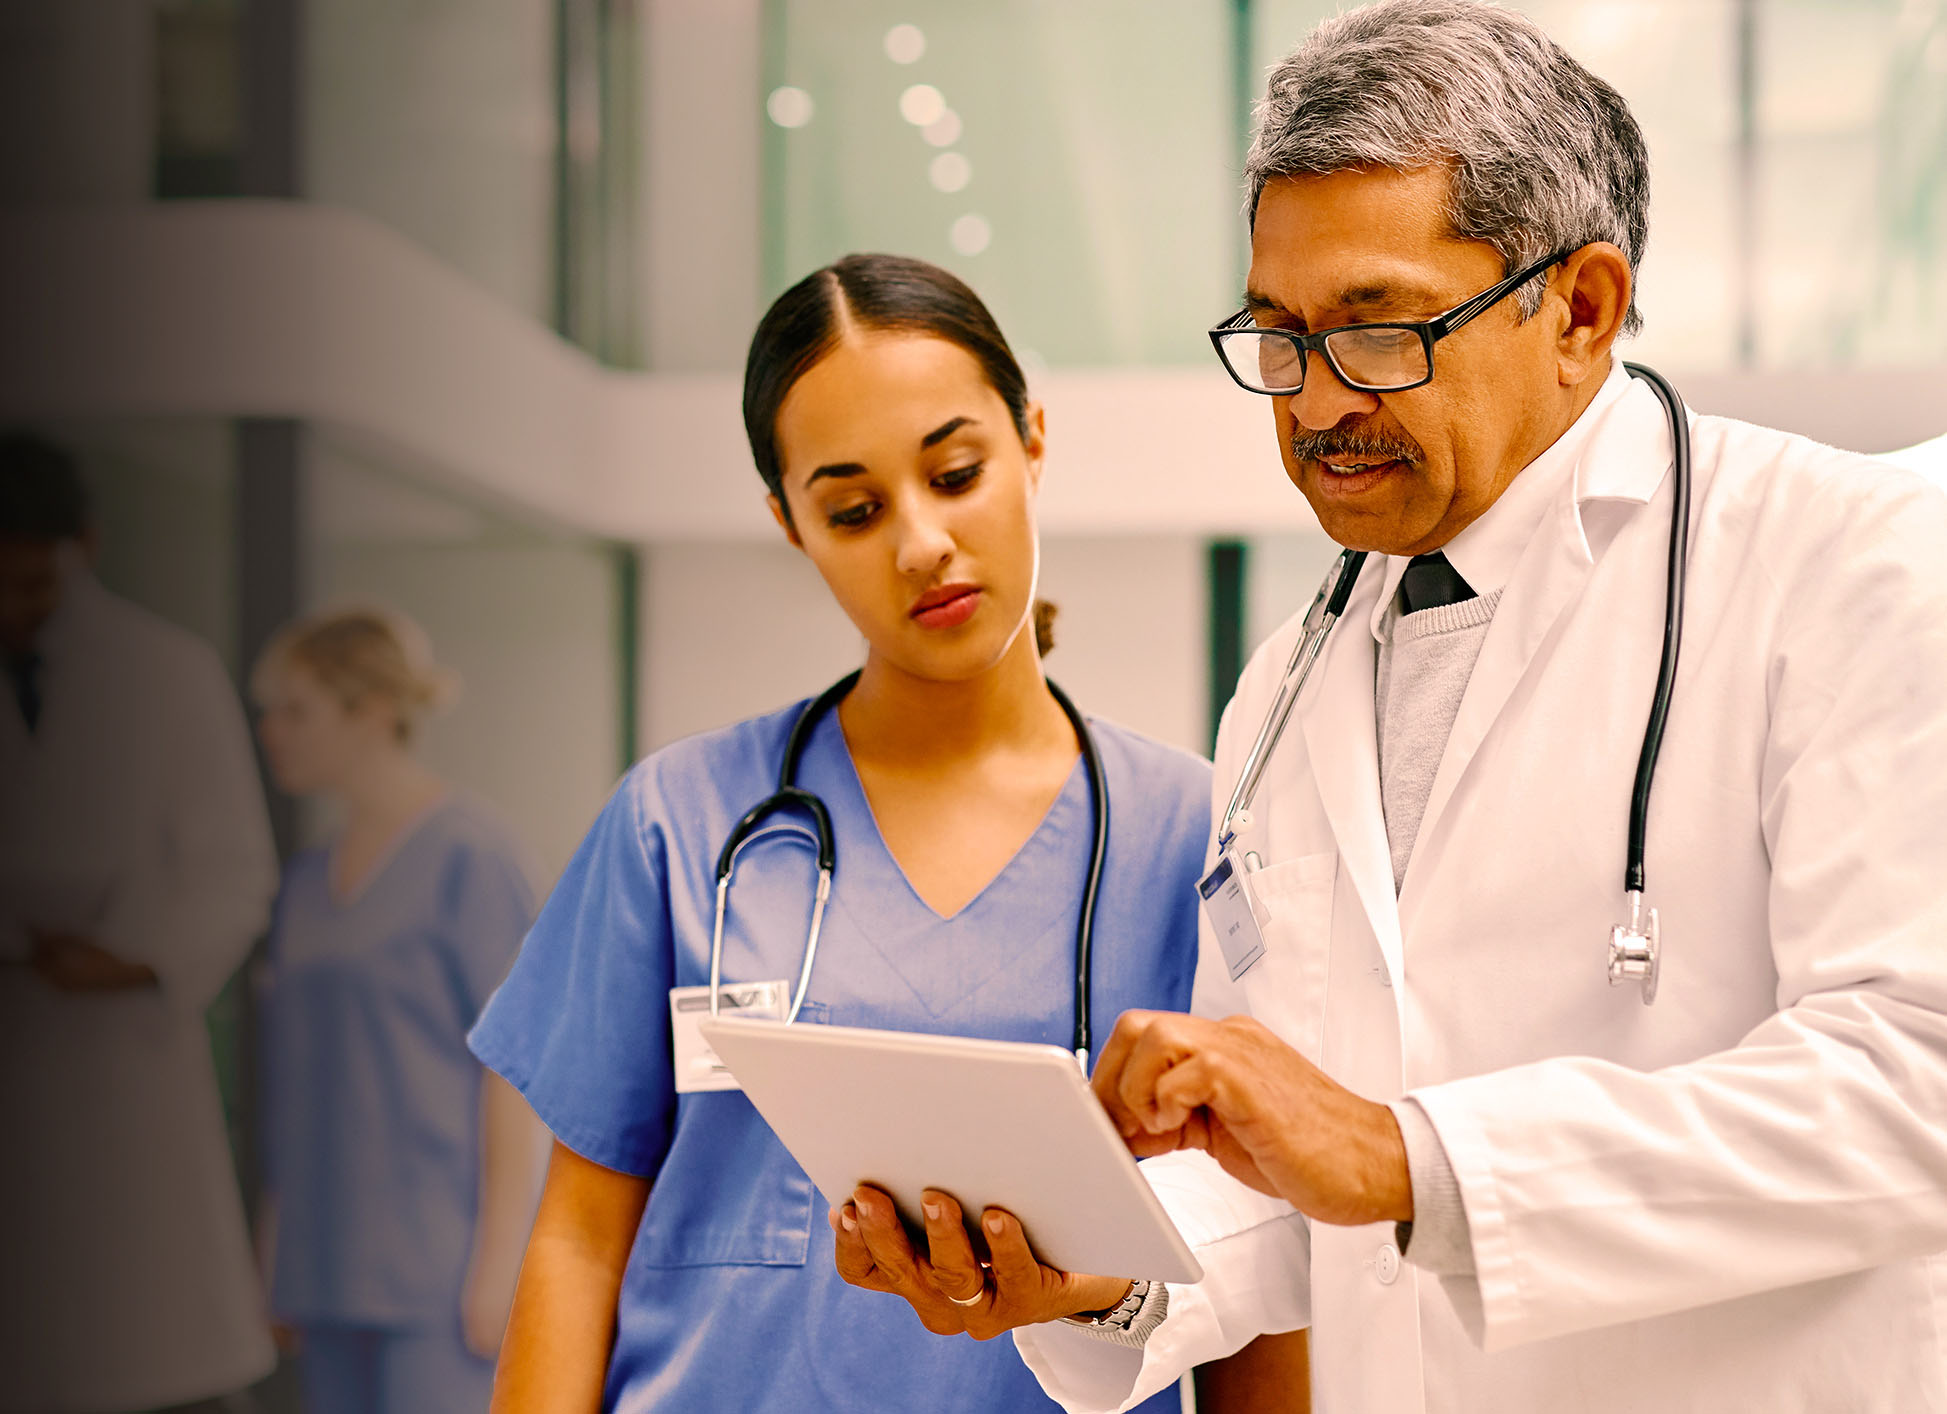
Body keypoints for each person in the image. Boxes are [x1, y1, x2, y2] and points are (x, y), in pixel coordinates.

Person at [836, 4, 1947, 1410]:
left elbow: (1914, 1088)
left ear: (1580, 308)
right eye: (1277, 336)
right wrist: (1094, 1268)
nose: (1312, 405)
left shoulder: (1842, 562)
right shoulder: (1284, 688)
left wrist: (1407, 1155)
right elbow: (1282, 1186)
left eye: (1375, 332)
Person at [466, 253, 1211, 1412]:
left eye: (955, 472)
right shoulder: (679, 825)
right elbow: (576, 1241)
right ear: (789, 523)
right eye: (853, 509)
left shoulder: (1193, 837)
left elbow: (1267, 1269)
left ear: (1032, 441)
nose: (918, 543)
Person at [0, 433, 278, 1411]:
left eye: (35, 583)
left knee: (134, 1353)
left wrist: (134, 961)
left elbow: (234, 869)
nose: (12, 607)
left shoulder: (166, 672)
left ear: (85, 549)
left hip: (118, 1040)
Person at [251, 607, 546, 1413]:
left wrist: (500, 1260)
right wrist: (275, 1246)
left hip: (436, 1269)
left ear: (371, 711)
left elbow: (516, 1070)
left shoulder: (469, 856)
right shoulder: (306, 883)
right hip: (323, 1261)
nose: (271, 732)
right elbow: (296, 1077)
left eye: (293, 710)